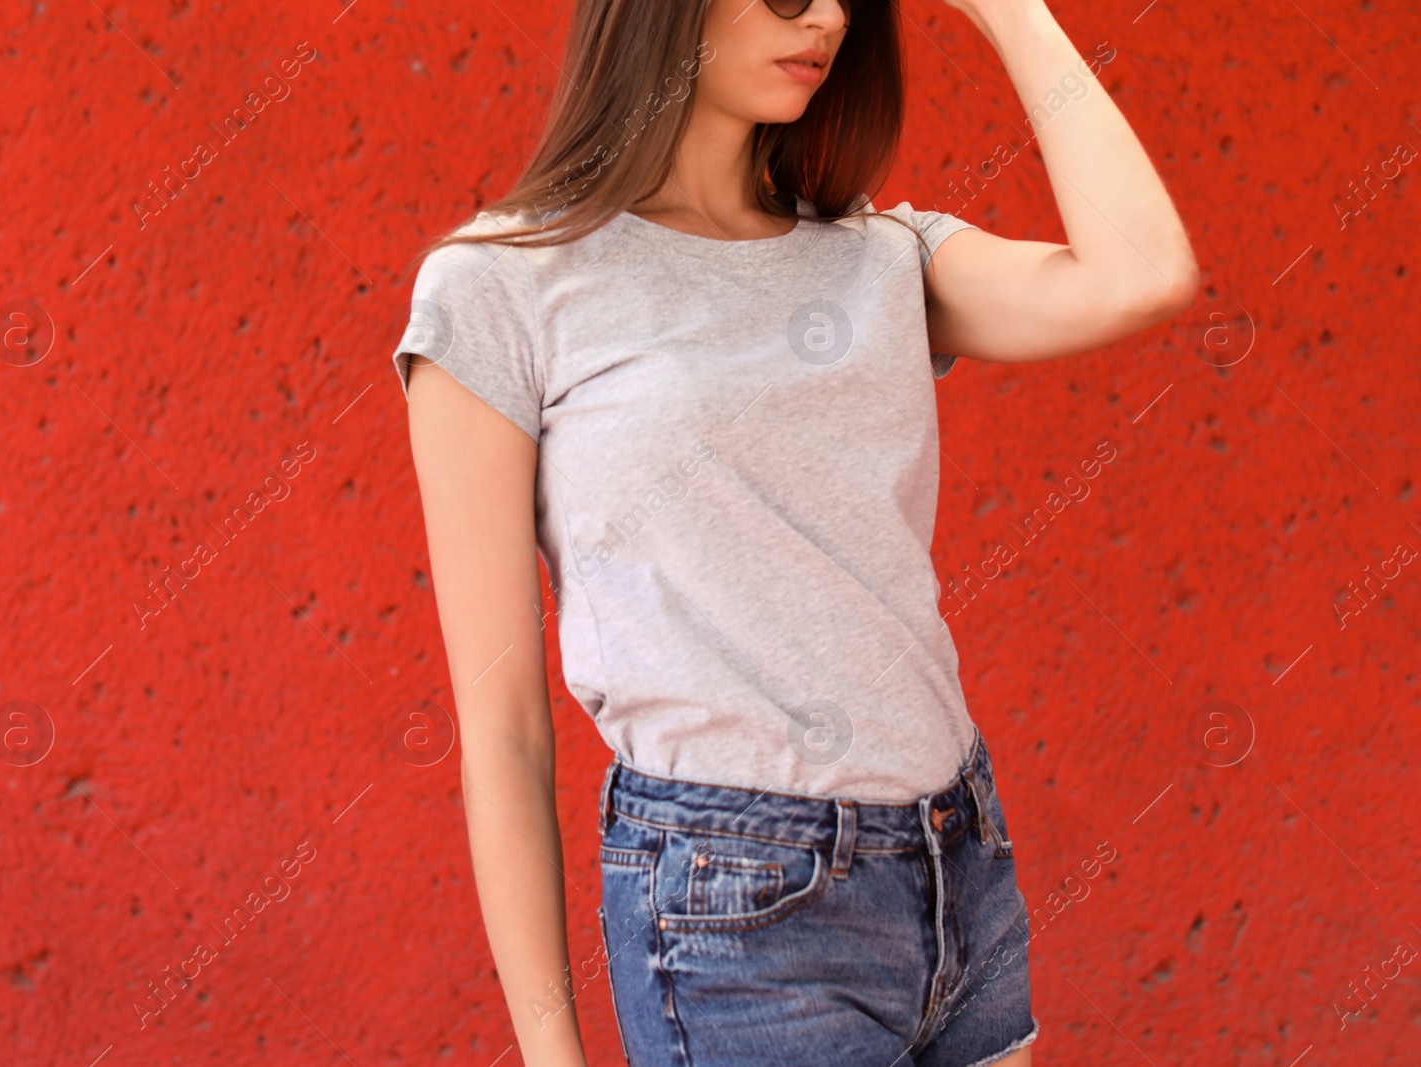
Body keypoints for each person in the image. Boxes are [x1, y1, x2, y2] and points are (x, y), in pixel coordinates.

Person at [390, 0, 1197, 1063]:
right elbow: (503, 729)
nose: (821, 17)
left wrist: (1010, 12)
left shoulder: (882, 255)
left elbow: (1144, 275)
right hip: (736, 906)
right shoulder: (500, 286)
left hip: (959, 862)